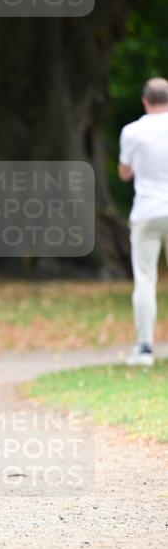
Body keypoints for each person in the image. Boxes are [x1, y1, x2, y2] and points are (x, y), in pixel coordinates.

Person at [118, 76, 168, 367]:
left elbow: (125, 173)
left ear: (145, 101)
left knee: (145, 279)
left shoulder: (132, 131)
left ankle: (145, 348)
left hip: (147, 213)